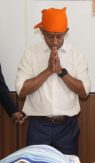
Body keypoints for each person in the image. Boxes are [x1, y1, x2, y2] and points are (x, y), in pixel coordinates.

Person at [16, 7, 90, 155]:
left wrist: (61, 72)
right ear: (42, 31)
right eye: (50, 36)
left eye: (59, 36)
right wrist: (48, 71)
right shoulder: (30, 54)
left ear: (66, 32)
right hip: (38, 126)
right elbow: (21, 90)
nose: (55, 42)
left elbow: (84, 92)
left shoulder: (76, 56)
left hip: (67, 127)